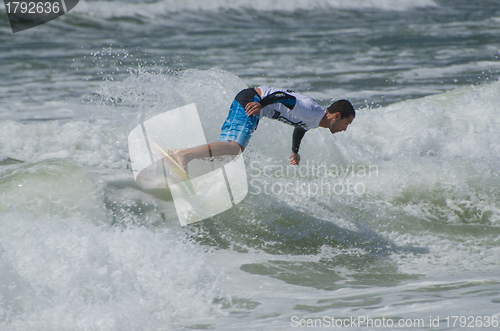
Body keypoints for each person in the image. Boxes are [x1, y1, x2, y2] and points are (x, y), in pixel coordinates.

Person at [168, 86, 355, 172]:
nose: (344, 129)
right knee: (234, 149)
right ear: (336, 116)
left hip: (253, 103)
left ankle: (173, 155)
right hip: (252, 101)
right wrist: (261, 104)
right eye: (346, 123)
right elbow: (282, 96)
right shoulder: (310, 109)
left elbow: (301, 127)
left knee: (226, 154)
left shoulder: (314, 120)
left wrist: (294, 151)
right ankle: (184, 155)